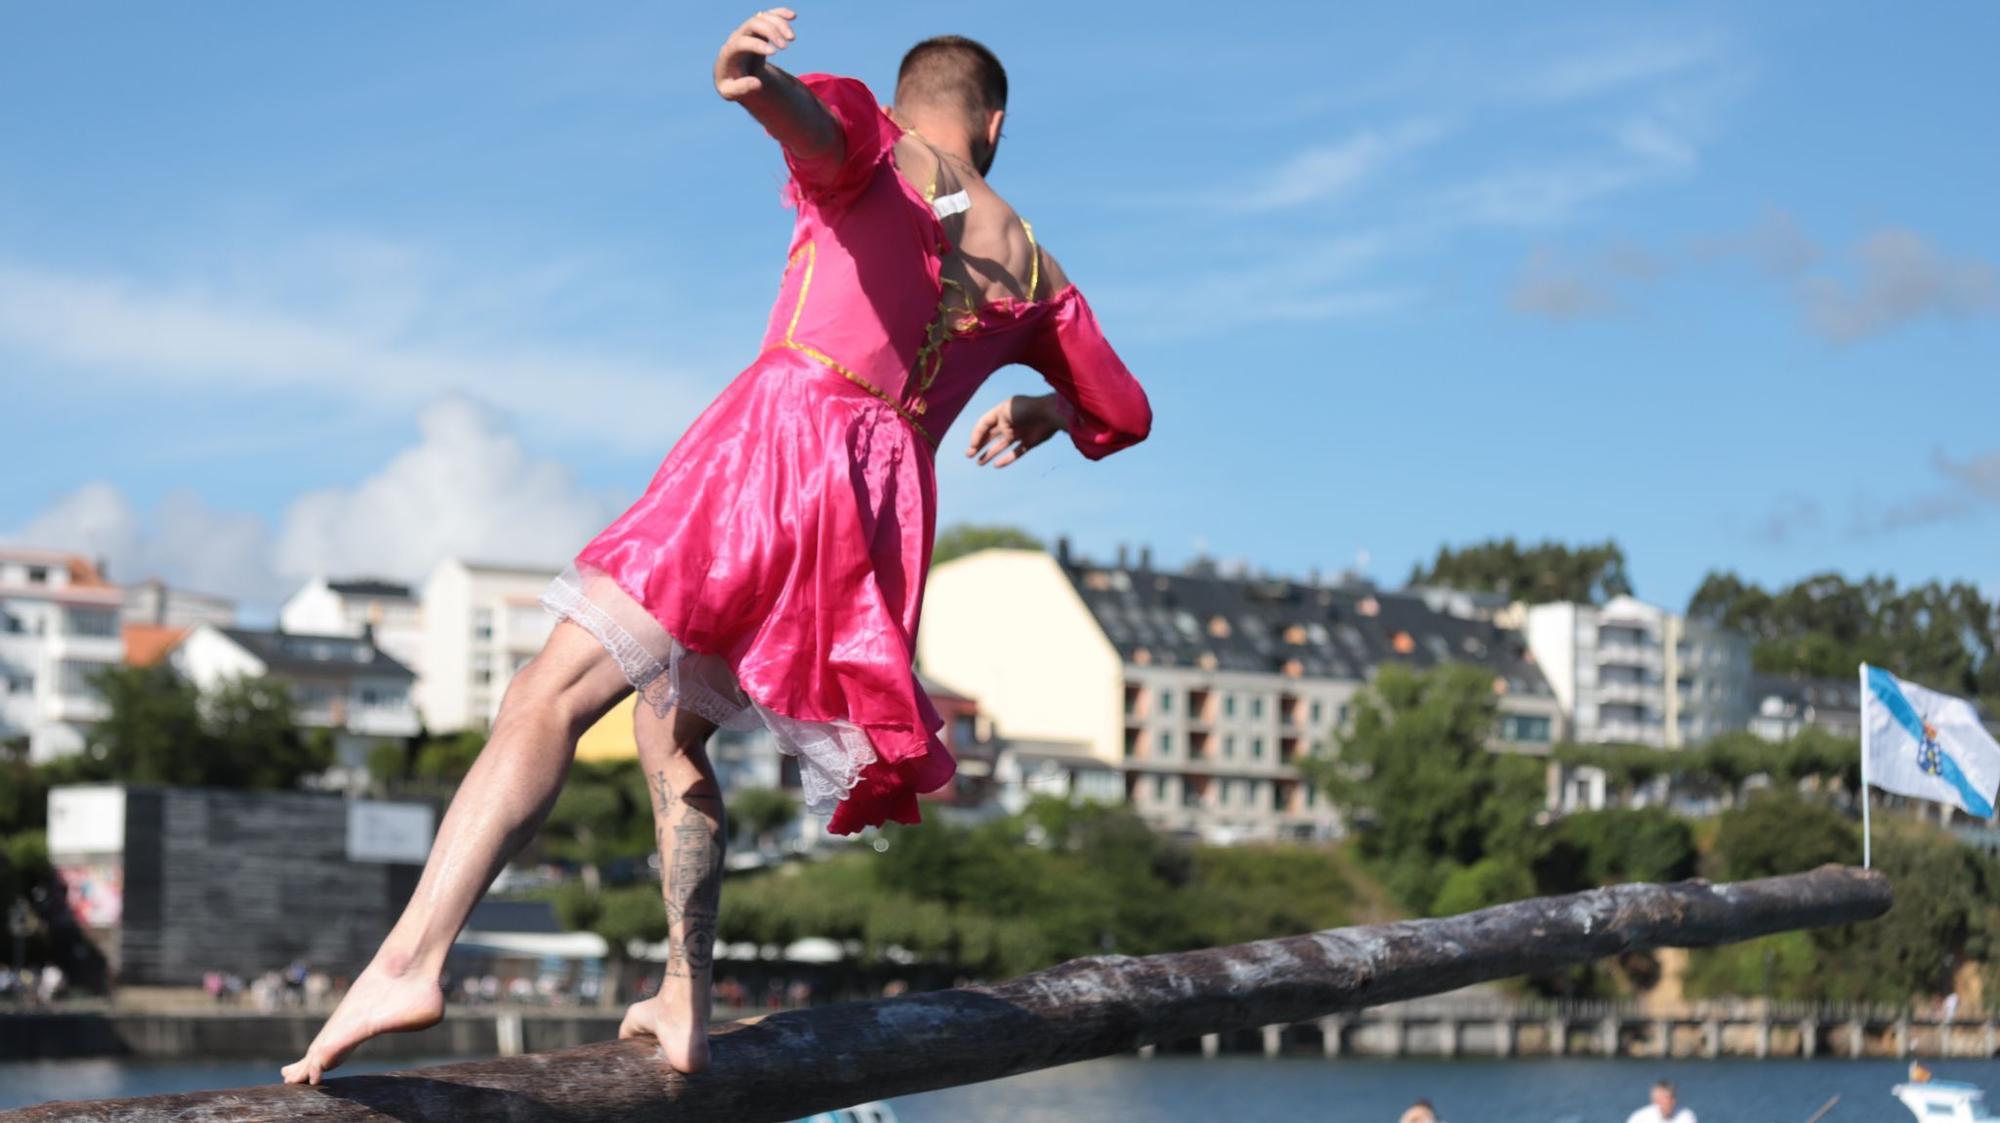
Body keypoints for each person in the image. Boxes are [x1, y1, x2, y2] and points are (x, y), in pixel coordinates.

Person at [281, 7, 1150, 1086]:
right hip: (872, 522)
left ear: (909, 98)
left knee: (546, 696)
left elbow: (818, 127)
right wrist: (1047, 414)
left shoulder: (882, 146)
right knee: (673, 726)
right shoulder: (1037, 272)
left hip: (782, 447)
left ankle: (409, 959)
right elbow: (1124, 408)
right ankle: (685, 994)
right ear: (998, 123)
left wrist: (747, 80)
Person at [1627, 1080, 1695, 1123]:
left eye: (1673, 1097)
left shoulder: (1686, 1115)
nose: (1673, 1102)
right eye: (1668, 1098)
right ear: (1656, 1101)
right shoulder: (1640, 1117)